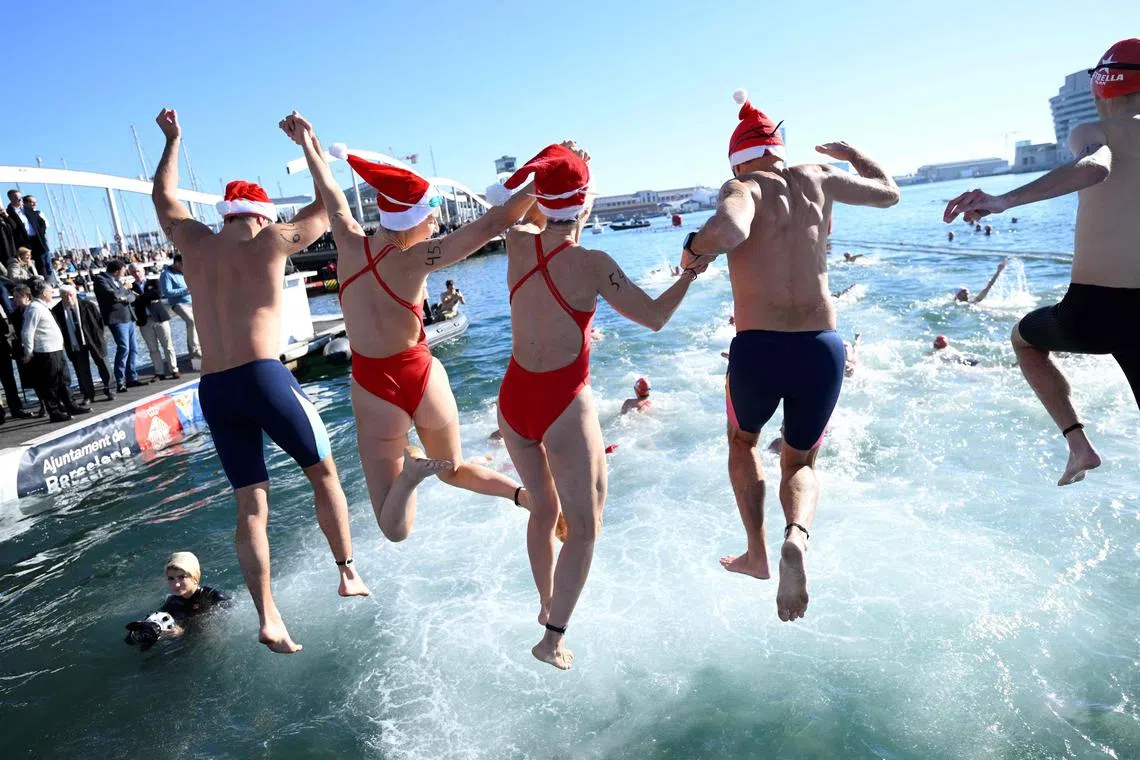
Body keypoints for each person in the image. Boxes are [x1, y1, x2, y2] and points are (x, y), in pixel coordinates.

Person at [151, 108, 368, 654]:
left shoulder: (194, 244)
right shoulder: (273, 240)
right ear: (262, 214)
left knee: (251, 504)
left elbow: (164, 197)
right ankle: (346, 571)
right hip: (263, 376)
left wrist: (172, 140)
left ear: (225, 215)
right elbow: (328, 206)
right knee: (324, 475)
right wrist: (309, 143)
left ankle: (268, 616)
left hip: (214, 389)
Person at [680, 89, 898, 622]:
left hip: (759, 347)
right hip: (821, 346)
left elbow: (730, 227)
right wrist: (853, 154)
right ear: (778, 150)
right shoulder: (819, 176)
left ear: (738, 159)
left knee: (744, 442)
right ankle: (797, 536)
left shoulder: (744, 186)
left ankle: (757, 554)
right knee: (799, 460)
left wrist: (693, 251)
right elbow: (889, 193)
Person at [489, 143, 703, 669]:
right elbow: (654, 317)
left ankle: (546, 603)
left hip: (513, 399)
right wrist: (691, 274)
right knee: (584, 529)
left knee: (545, 508)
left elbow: (521, 208)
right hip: (561, 401)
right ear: (586, 204)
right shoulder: (592, 264)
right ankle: (552, 638)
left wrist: (548, 177)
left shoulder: (517, 241)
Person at [285, 111, 536, 549]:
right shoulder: (416, 260)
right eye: (430, 219)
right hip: (421, 375)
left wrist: (308, 143)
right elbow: (494, 223)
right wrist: (541, 183)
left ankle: (408, 479)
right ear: (412, 223)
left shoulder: (346, 238)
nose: (435, 226)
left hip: (373, 387)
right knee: (452, 469)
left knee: (394, 528)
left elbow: (329, 191)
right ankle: (523, 495)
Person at [943, 38, 1140, 485]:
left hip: (1097, 309)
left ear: (1102, 86)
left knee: (1025, 341)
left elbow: (1097, 167)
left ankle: (1079, 446)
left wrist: (1003, 200)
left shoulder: (1093, 130)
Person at [124, 552, 230, 650]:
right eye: (171, 578)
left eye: (181, 577)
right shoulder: (172, 602)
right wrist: (139, 631)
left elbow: (223, 628)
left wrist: (183, 632)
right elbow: (131, 640)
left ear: (195, 577)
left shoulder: (215, 598)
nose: (176, 584)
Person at [21, 279, 90, 422]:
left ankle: (70, 405)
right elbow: (27, 332)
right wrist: (28, 352)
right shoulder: (34, 308)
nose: (52, 292)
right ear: (43, 293)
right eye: (49, 291)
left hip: (56, 349)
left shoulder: (43, 306)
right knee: (50, 382)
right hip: (46, 351)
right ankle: (54, 411)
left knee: (64, 379)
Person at [51, 285, 115, 404]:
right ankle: (88, 395)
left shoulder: (88, 305)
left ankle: (110, 389)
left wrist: (98, 336)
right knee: (82, 370)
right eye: (65, 296)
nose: (69, 299)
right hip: (74, 342)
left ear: (75, 294)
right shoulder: (57, 310)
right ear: (61, 297)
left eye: (71, 295)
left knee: (103, 364)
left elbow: (99, 321)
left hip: (93, 338)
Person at [93, 259, 145, 392]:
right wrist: (124, 289)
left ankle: (131, 377)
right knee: (124, 348)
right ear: (116, 271)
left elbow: (132, 297)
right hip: (117, 319)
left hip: (129, 317)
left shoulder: (117, 281)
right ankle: (120, 381)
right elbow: (114, 295)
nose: (124, 274)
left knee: (133, 348)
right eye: (123, 271)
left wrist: (123, 296)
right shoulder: (101, 280)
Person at [129, 263, 178, 380]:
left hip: (159, 318)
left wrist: (140, 297)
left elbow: (158, 294)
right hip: (144, 320)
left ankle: (174, 370)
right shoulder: (131, 287)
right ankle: (159, 372)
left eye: (138, 271)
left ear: (143, 271)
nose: (136, 274)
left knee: (168, 345)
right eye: (133, 272)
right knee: (153, 349)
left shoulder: (154, 282)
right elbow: (132, 301)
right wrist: (148, 298)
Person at [159, 253, 200, 365]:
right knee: (191, 321)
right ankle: (196, 349)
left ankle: (193, 354)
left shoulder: (184, 272)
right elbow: (167, 292)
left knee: (192, 325)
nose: (185, 266)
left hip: (191, 302)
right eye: (183, 264)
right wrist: (186, 290)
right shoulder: (166, 274)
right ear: (177, 263)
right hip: (178, 304)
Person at [19, 196, 53, 284]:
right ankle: (46, 284)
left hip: (42, 241)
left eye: (35, 202)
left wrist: (41, 232)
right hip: (33, 243)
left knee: (48, 264)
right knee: (41, 264)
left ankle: (51, 282)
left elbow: (44, 224)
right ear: (25, 203)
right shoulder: (23, 213)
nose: (34, 204)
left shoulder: (37, 213)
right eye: (31, 202)